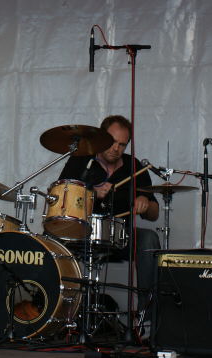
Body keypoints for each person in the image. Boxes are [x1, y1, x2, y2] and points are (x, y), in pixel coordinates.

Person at [57, 115, 160, 300]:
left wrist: (145, 202)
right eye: (112, 142)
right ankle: (58, 305)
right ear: (101, 137)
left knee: (148, 239)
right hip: (81, 233)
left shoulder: (134, 166)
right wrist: (91, 194)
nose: (116, 148)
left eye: (122, 144)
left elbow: (154, 214)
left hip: (120, 236)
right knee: (53, 236)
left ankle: (147, 311)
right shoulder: (81, 160)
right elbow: (62, 200)